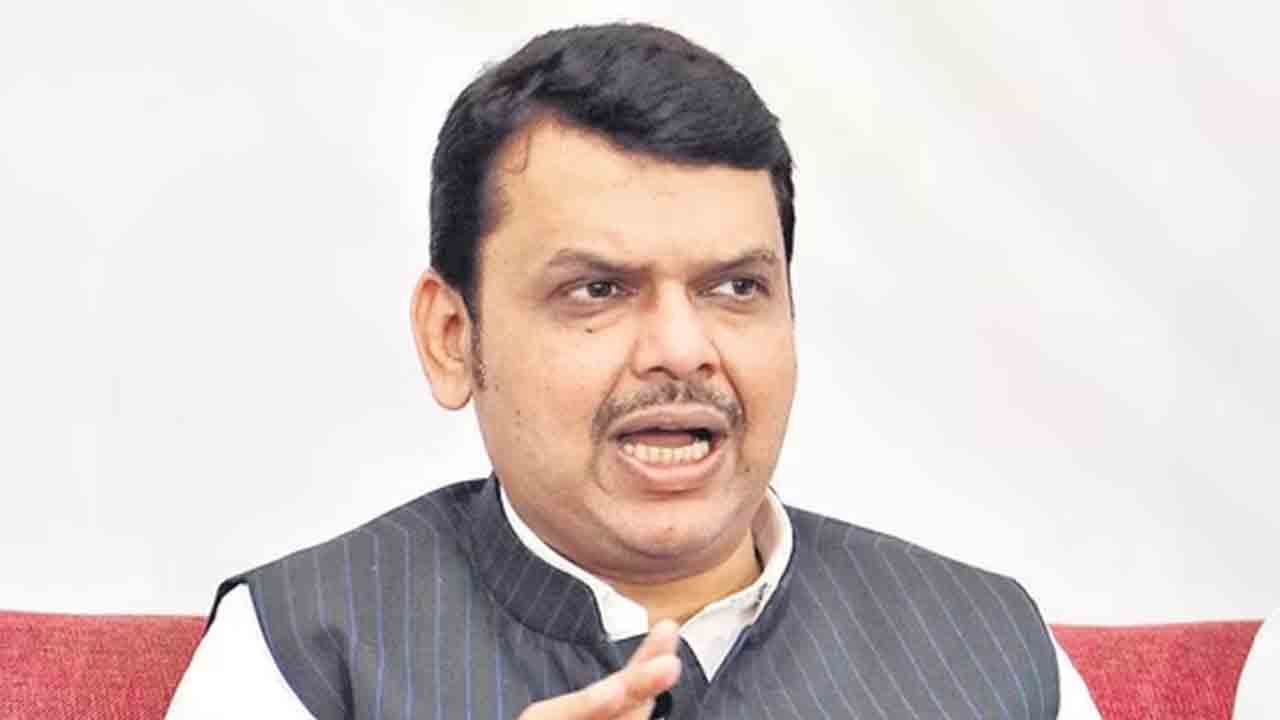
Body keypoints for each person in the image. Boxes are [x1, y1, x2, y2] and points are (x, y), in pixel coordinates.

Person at [166, 22, 1099, 719]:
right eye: (598, 290)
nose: (681, 350)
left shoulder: (989, 649)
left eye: (735, 287)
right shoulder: (304, 651)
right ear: (453, 337)